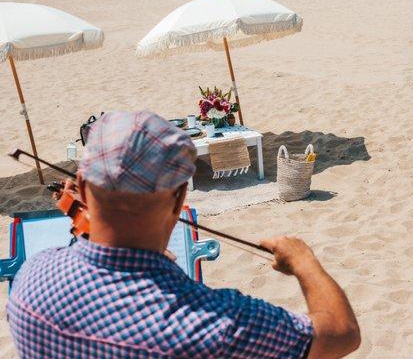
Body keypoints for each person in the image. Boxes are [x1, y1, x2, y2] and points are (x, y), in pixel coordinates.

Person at [7, 111, 361, 358]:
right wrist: (304, 261)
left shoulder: (29, 281)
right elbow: (341, 333)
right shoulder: (219, 323)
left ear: (82, 187)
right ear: (179, 199)